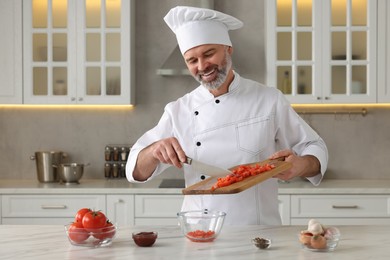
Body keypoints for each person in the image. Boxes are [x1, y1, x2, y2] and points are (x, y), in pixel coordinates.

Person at [126, 6, 328, 225]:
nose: (202, 66)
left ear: (228, 48)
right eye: (192, 60)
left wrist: (300, 165)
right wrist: (154, 151)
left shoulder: (268, 99)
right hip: (200, 234)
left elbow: (315, 147)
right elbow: (135, 171)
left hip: (258, 234)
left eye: (208, 53)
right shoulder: (178, 110)